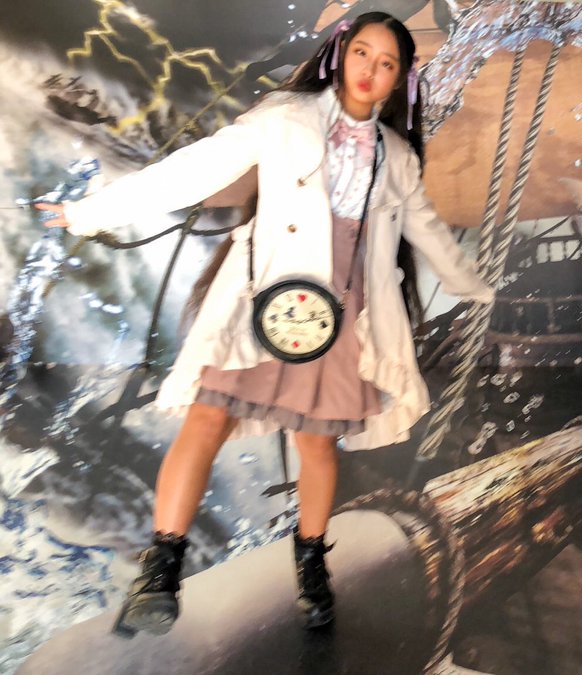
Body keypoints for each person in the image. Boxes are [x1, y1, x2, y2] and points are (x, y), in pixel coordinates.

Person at [35, 12, 492, 636]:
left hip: (342, 311)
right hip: (268, 296)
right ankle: (160, 571)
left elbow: (428, 232)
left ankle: (312, 565)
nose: (370, 70)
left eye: (387, 63)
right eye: (362, 53)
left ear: (398, 80)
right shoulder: (284, 117)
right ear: (341, 55)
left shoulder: (397, 157)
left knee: (317, 441)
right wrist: (91, 212)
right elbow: (193, 169)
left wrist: (478, 288)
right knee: (208, 417)